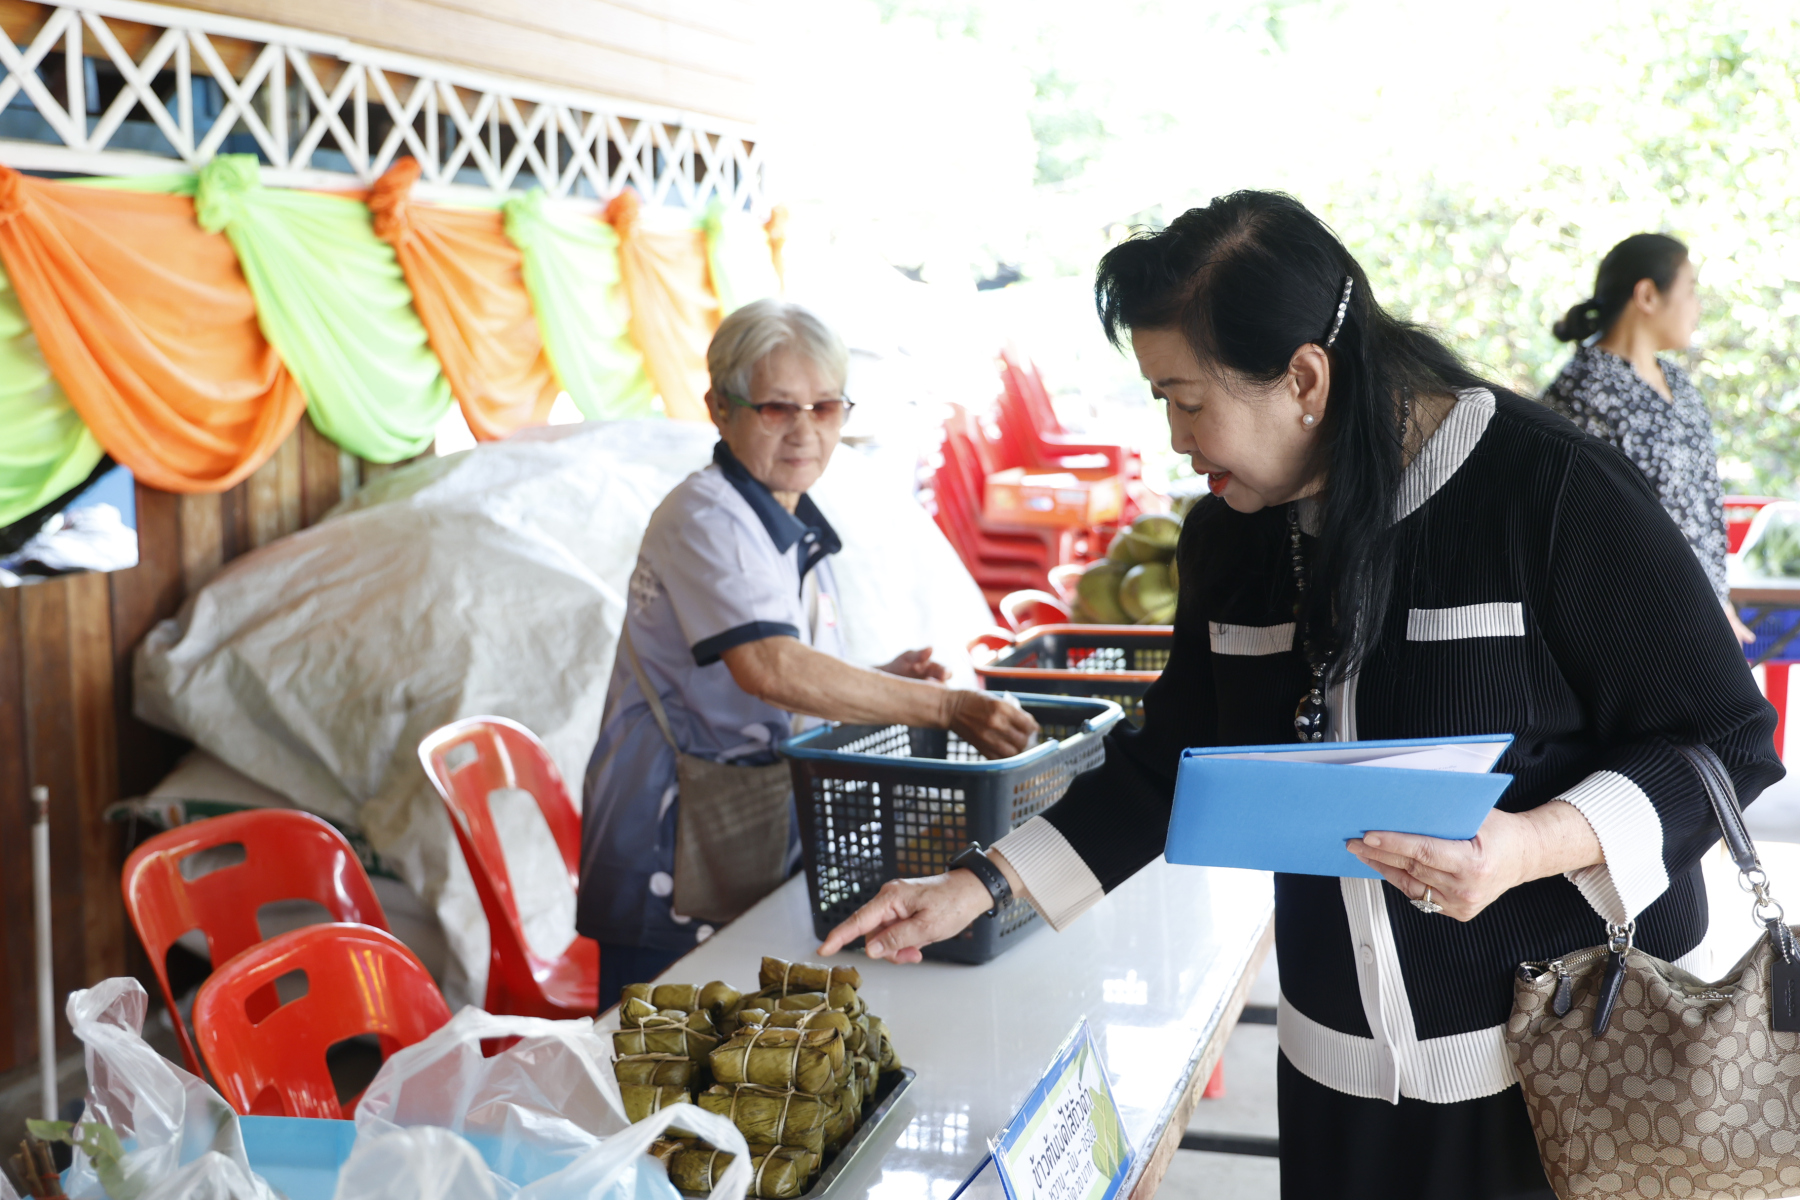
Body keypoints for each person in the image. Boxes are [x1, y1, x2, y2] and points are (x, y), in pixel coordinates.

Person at [821, 193, 1784, 1199]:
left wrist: (1527, 846)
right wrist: (979, 886)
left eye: (1188, 399)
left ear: (1305, 379)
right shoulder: (1232, 537)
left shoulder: (1549, 491)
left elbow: (1727, 738)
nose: (1175, 436)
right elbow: (1172, 763)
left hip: (1559, 1078)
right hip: (1335, 1075)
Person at [578, 298, 1038, 1003]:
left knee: (746, 1042)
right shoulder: (708, 517)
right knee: (657, 1041)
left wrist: (882, 678)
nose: (805, 431)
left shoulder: (785, 518)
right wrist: (945, 707)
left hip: (746, 825)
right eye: (776, 408)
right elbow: (770, 668)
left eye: (824, 408)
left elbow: (788, 666)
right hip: (671, 837)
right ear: (719, 409)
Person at [1544, 233, 1757, 644]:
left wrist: (1719, 602)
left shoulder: (1676, 381)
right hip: (1631, 629)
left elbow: (1700, 506)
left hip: (1702, 617)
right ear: (1646, 295)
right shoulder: (1581, 393)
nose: (1697, 307)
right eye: (1690, 290)